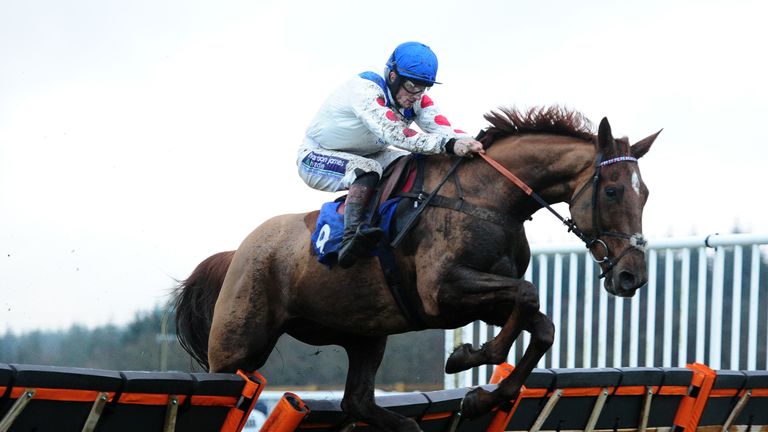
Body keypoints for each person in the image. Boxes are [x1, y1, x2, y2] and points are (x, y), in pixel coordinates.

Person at [297, 41, 483, 268]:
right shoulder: (365, 90)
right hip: (317, 155)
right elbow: (398, 135)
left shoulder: (416, 98)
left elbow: (445, 131)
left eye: (424, 87)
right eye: (413, 86)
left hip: (370, 152)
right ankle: (351, 237)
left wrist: (477, 143)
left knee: (410, 164)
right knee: (368, 170)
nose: (417, 94)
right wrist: (451, 144)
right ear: (393, 76)